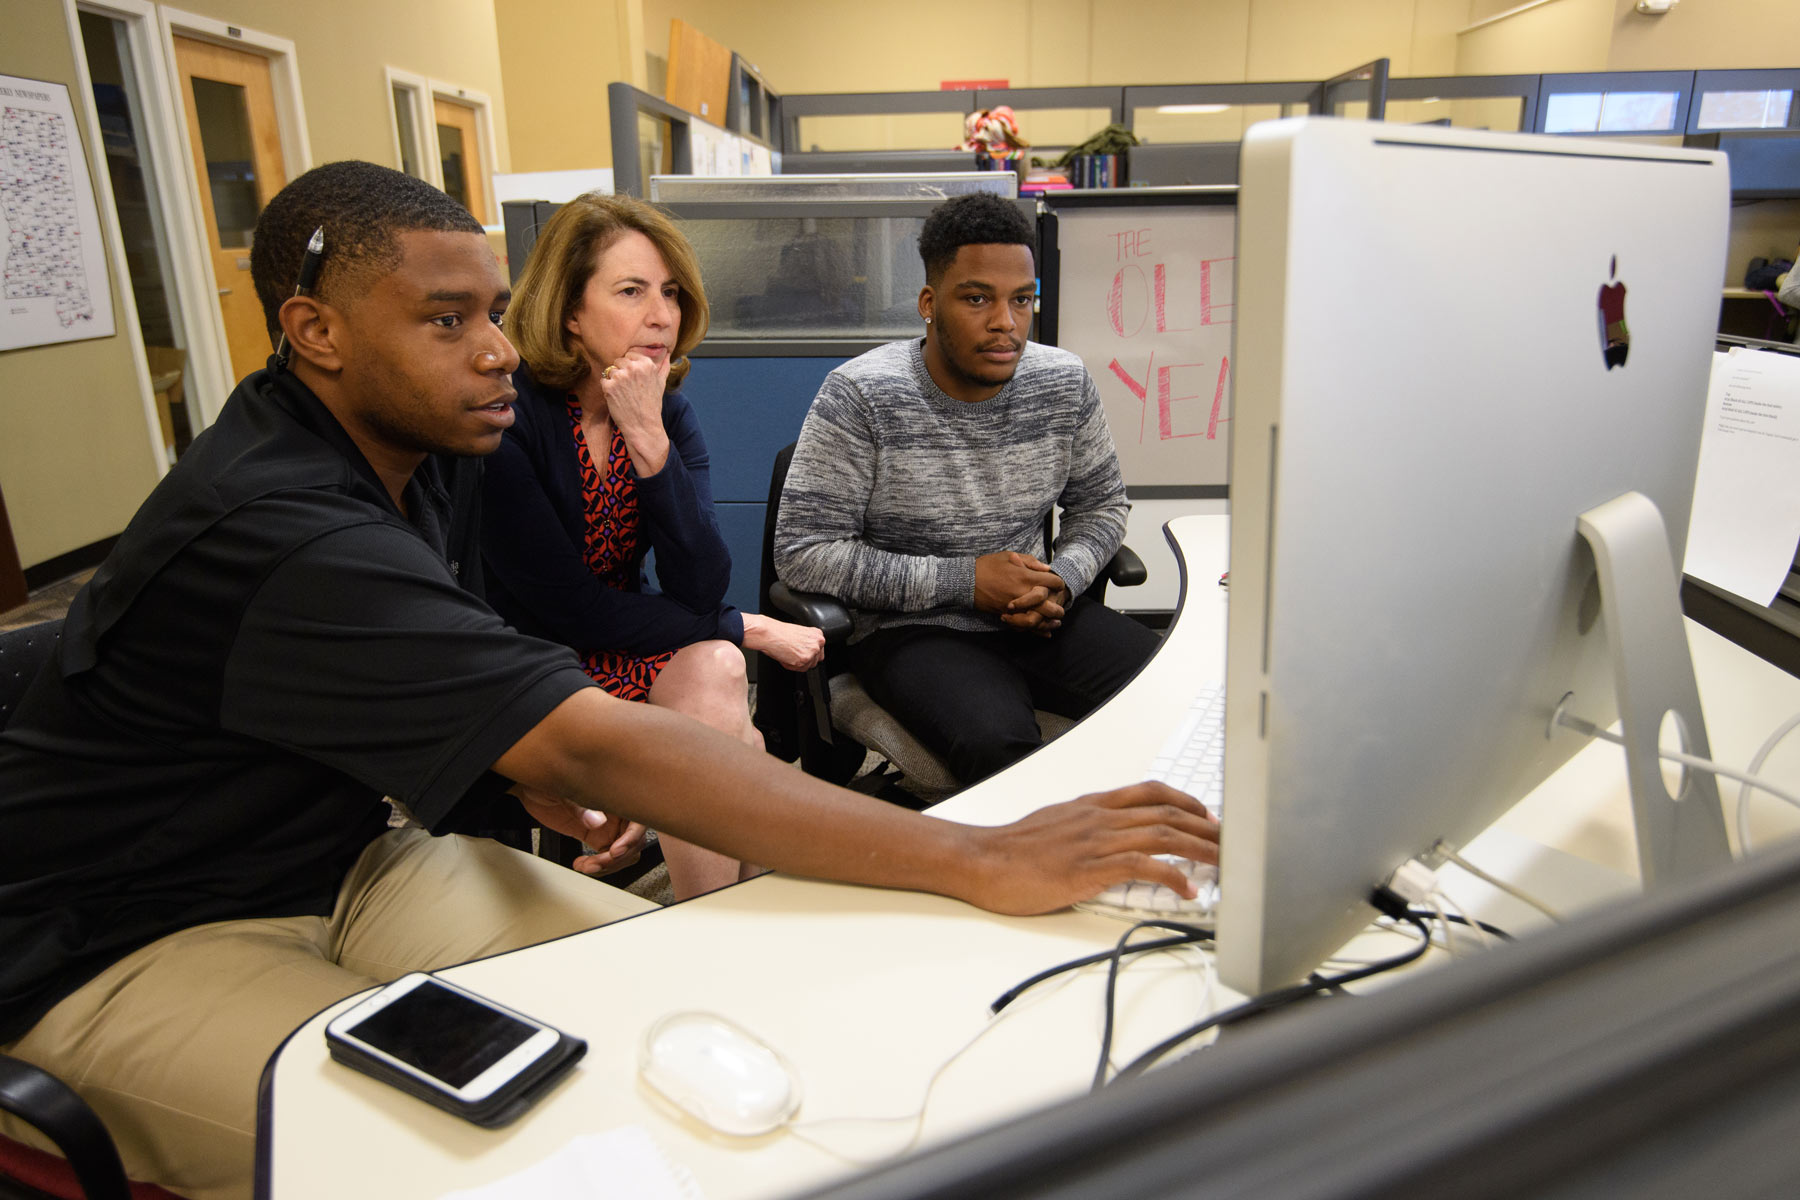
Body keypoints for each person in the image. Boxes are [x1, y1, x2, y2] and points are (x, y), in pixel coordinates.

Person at [0, 162, 1218, 1200]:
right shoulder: (279, 519)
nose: (492, 352)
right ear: (316, 330)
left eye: (492, 312)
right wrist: (983, 856)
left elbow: (558, 626)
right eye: (444, 321)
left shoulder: (413, 453)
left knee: (687, 994)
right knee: (526, 1150)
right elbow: (589, 732)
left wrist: (497, 760)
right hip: (123, 938)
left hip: (342, 853)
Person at [484, 193, 823, 899]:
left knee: (718, 676)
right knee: (738, 737)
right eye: (631, 291)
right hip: (529, 659)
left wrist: (648, 443)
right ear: (570, 312)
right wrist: (743, 624)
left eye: (669, 293)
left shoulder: (665, 410)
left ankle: (707, 916)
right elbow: (567, 609)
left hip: (621, 643)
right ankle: (735, 915)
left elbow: (699, 582)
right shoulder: (512, 417)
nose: (662, 314)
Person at [774, 192, 1162, 785]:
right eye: (978, 298)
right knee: (1002, 755)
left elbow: (1101, 504)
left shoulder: (1062, 382)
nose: (1006, 322)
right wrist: (966, 582)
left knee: (1183, 697)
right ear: (930, 303)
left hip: (1037, 615)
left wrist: (1063, 579)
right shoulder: (861, 395)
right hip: (910, 631)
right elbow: (803, 554)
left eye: (1022, 300)